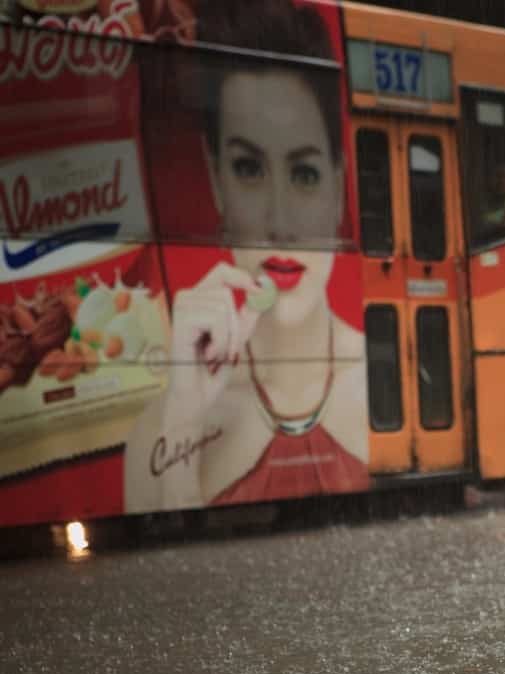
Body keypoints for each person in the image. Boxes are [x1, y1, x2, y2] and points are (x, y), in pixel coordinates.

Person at [125, 0, 367, 512]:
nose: (279, 222)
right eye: (249, 169)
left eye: (304, 174)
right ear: (217, 181)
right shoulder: (161, 428)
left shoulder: (381, 387)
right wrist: (185, 413)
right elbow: (168, 555)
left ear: (338, 187)